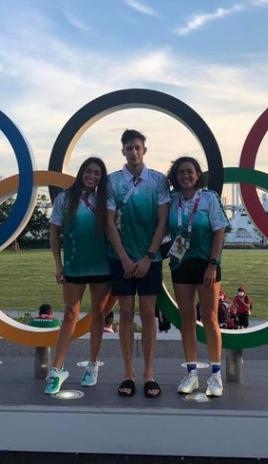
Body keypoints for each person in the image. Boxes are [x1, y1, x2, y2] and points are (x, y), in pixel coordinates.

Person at [106, 129, 169, 398]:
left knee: (148, 314)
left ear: (145, 150)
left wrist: (148, 256)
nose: (133, 152)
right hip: (120, 258)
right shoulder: (111, 181)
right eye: (129, 148)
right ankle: (129, 374)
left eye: (137, 147)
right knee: (126, 314)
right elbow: (108, 222)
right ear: (123, 151)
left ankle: (149, 374)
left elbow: (162, 221)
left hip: (149, 259)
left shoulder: (158, 180)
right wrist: (123, 257)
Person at [45, 157, 114, 395]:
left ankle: (92, 365)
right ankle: (56, 369)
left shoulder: (106, 199)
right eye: (89, 171)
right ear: (81, 172)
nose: (92, 176)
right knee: (70, 315)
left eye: (97, 173)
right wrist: (58, 264)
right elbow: (54, 231)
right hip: (74, 266)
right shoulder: (65, 198)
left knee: (98, 314)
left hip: (101, 266)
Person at [166, 156, 228, 397]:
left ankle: (215, 375)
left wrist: (213, 264)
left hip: (206, 265)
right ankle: (192, 373)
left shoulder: (209, 198)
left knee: (210, 318)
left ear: (197, 174)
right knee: (186, 320)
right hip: (180, 264)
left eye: (190, 171)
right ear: (176, 176)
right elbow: (162, 226)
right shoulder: (171, 201)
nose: (186, 176)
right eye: (181, 172)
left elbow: (219, 231)